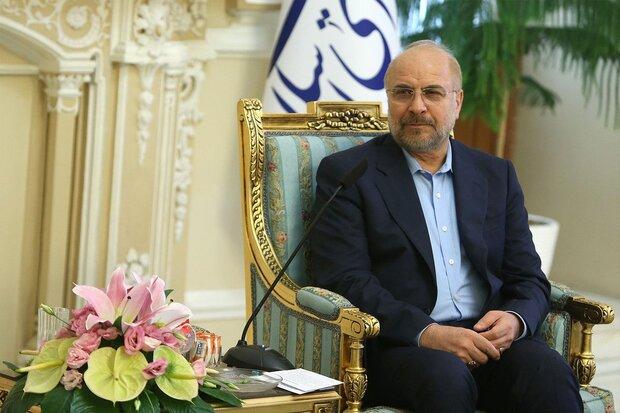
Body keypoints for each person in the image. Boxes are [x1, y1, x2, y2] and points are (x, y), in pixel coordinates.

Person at [310, 40, 582, 412]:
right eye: (403, 92)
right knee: (446, 378)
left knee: (546, 372)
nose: (417, 106)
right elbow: (346, 279)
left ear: (457, 101)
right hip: (405, 346)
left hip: (487, 340)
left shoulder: (495, 175)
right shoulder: (350, 174)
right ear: (389, 100)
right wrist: (430, 333)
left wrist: (515, 320)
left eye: (432, 93)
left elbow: (528, 277)